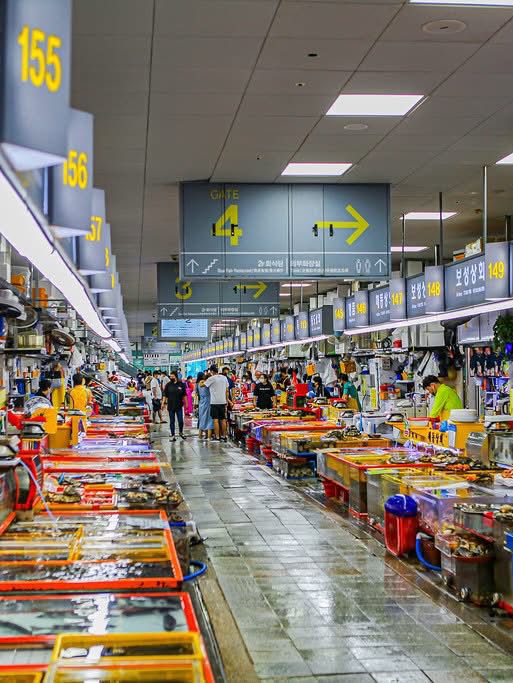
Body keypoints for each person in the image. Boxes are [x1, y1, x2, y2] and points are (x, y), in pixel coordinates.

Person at [205, 365, 230, 442]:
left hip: (214, 402)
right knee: (223, 419)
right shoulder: (224, 378)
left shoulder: (211, 378)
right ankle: (224, 436)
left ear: (212, 371)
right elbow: (227, 390)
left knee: (215, 420)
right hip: (223, 401)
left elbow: (203, 385)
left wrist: (203, 379)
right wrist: (226, 401)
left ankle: (217, 437)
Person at [162, 371, 186, 441]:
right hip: (171, 406)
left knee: (180, 421)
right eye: (170, 376)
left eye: (172, 376)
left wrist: (186, 404)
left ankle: (181, 432)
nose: (171, 377)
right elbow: (165, 395)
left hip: (179, 406)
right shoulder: (168, 385)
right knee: (172, 421)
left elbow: (184, 395)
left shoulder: (181, 384)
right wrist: (163, 403)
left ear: (176, 376)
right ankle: (173, 435)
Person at [196, 371, 214, 440]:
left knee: (202, 418)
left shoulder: (199, 383)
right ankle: (209, 437)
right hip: (208, 402)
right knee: (209, 419)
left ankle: (200, 436)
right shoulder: (207, 384)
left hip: (201, 402)